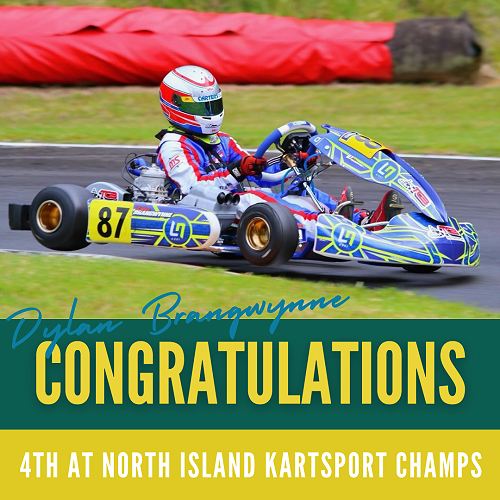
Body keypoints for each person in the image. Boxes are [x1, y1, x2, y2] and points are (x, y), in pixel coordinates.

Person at [156, 65, 401, 239]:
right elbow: (193, 187)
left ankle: (364, 220)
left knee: (299, 193)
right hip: (202, 208)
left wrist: (289, 163)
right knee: (254, 198)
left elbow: (258, 171)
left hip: (231, 203)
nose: (209, 112)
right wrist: (236, 172)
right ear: (175, 104)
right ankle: (330, 227)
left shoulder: (223, 141)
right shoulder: (173, 145)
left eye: (212, 105)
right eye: (202, 107)